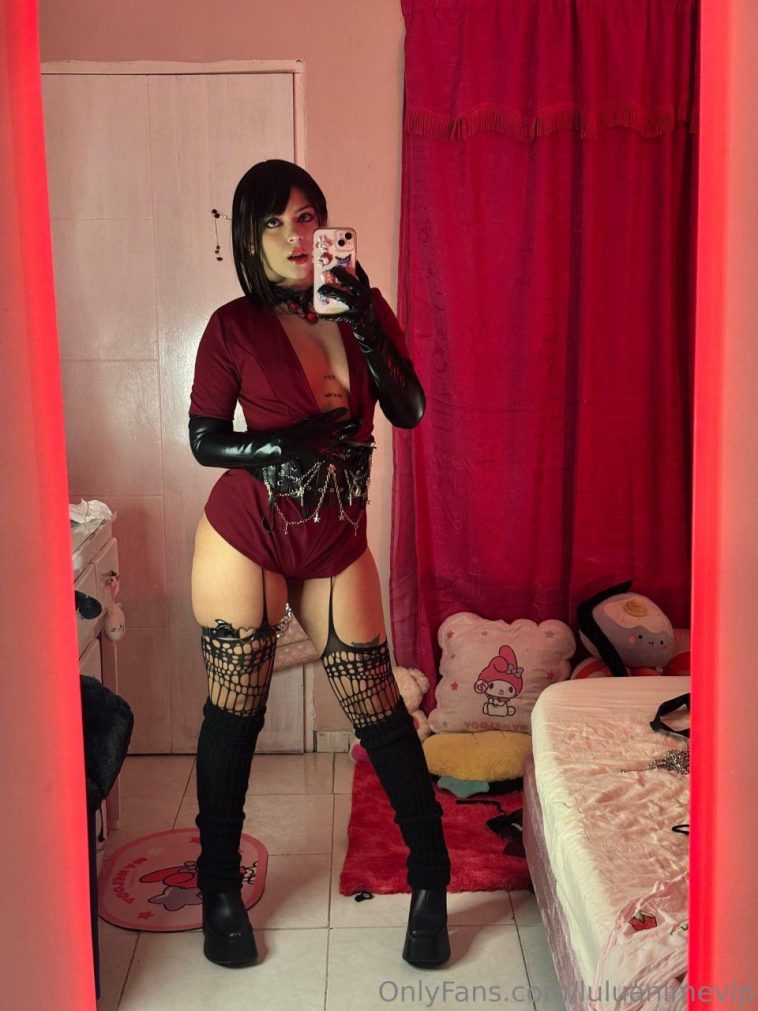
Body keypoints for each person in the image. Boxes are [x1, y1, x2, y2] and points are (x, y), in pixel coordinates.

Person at [188, 159, 451, 970]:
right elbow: (204, 438)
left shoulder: (360, 309)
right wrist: (278, 443)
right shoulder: (231, 326)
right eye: (275, 222)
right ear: (250, 238)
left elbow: (409, 409)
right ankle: (217, 887)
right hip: (249, 532)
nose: (296, 236)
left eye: (307, 217)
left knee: (379, 711)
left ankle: (432, 877)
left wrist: (367, 318)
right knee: (237, 712)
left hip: (335, 536)